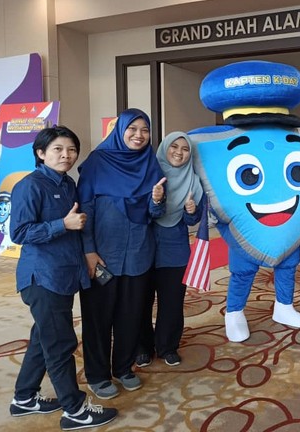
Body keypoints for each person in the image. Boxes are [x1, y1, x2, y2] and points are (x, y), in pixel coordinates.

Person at [9, 126, 117, 430]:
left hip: (63, 274)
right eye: (58, 149)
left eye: (71, 149)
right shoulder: (30, 186)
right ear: (41, 153)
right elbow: (19, 232)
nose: (66, 155)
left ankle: (24, 397)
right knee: (59, 343)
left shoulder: (68, 183)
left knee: (43, 338)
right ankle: (75, 410)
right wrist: (62, 224)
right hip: (43, 277)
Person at [77, 109, 165, 400]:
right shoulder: (97, 162)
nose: (139, 135)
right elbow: (85, 211)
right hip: (103, 256)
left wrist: (156, 201)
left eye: (145, 130)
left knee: (131, 315)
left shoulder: (150, 164)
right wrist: (89, 251)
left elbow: (154, 214)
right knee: (98, 318)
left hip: (139, 255)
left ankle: (123, 368)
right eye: (133, 129)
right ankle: (98, 374)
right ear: (120, 130)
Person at [136, 132, 204, 368]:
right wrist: (156, 200)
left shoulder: (193, 181)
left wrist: (191, 210)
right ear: (165, 148)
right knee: (141, 301)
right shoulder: (149, 175)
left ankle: (167, 347)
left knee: (172, 302)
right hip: (144, 247)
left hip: (175, 249)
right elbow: (144, 213)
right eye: (174, 146)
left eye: (185, 149)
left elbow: (192, 220)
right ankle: (143, 347)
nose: (179, 152)